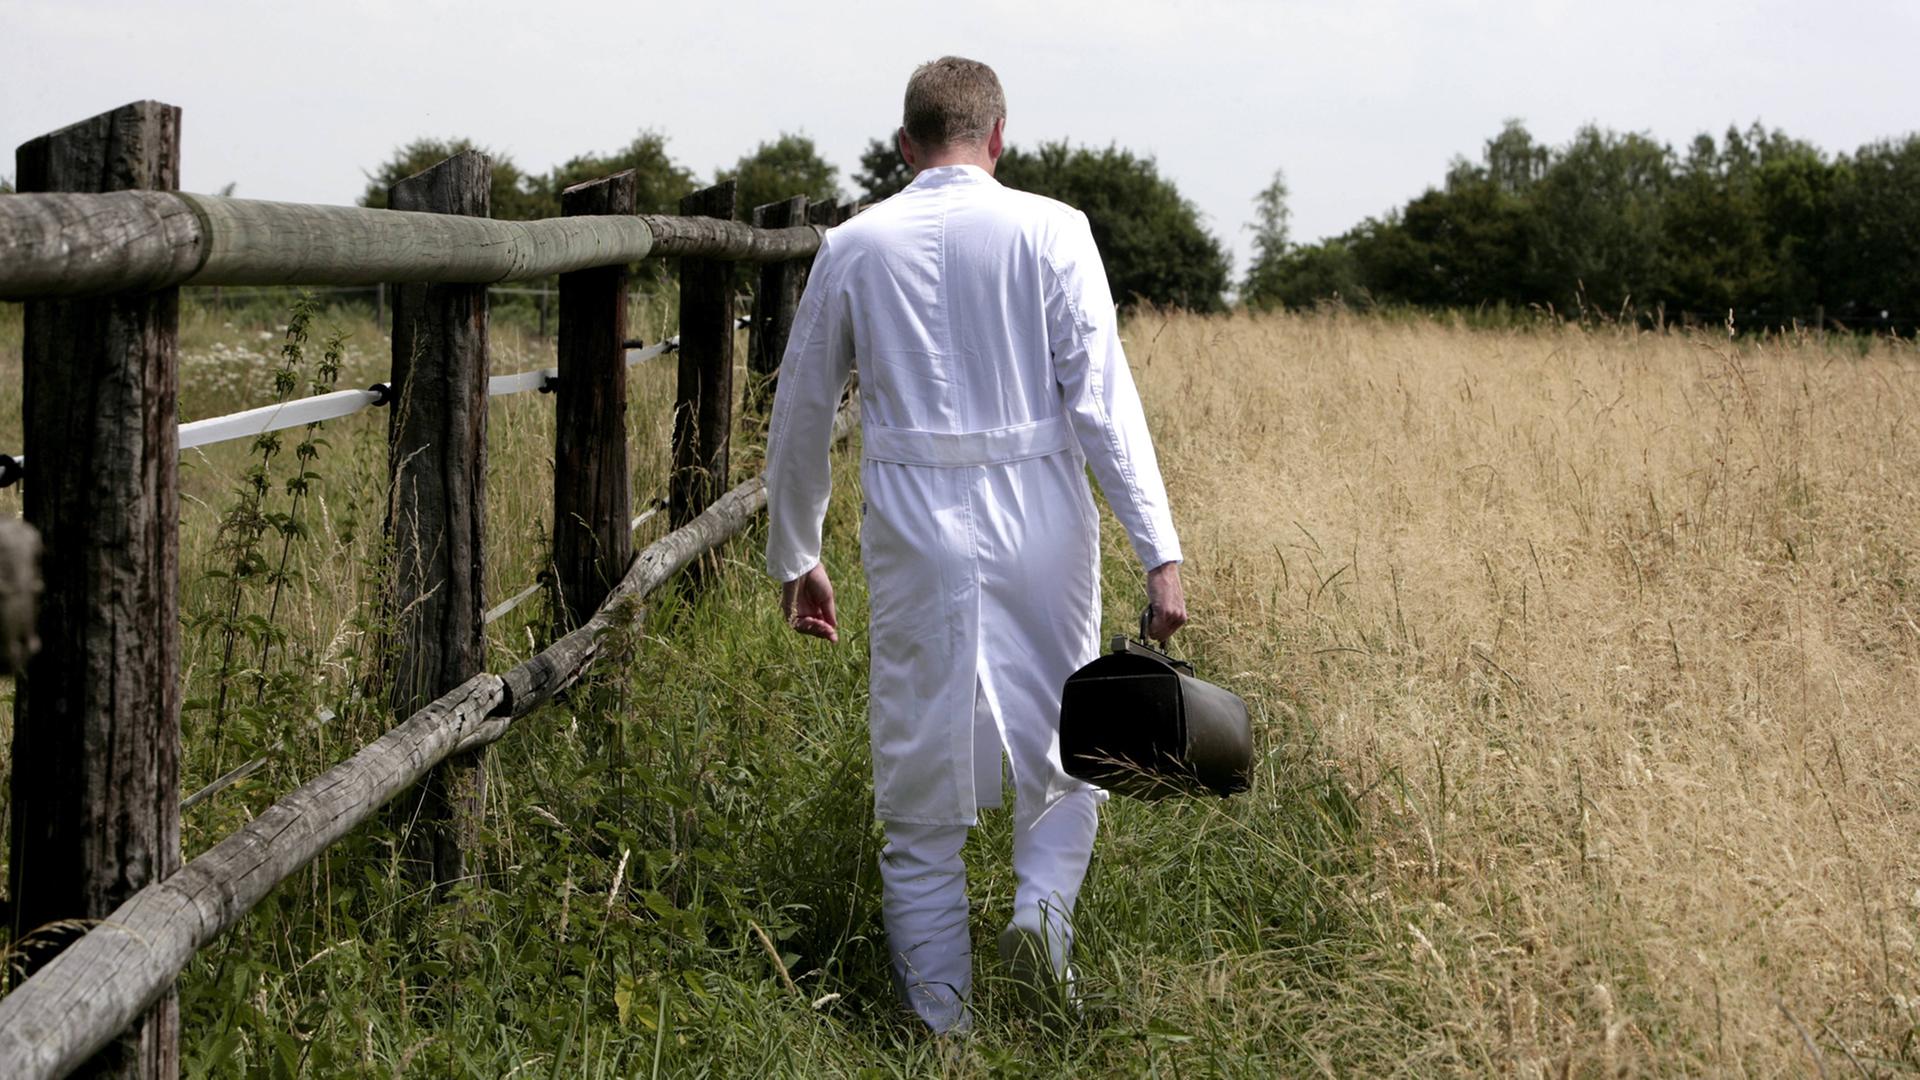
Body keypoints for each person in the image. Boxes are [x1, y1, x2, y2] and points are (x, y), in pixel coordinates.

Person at [763, 55, 1186, 1033]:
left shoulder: (854, 246)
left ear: (905, 145)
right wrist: (1158, 549)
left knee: (919, 776)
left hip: (914, 522)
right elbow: (1105, 406)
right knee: (1069, 739)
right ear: (999, 137)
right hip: (1041, 508)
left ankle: (942, 1025)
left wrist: (798, 554)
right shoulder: (1056, 230)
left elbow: (799, 413)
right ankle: (1040, 925)